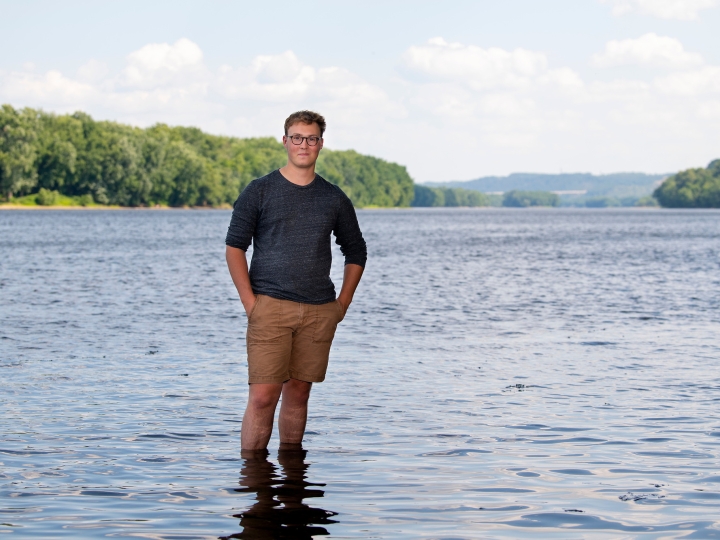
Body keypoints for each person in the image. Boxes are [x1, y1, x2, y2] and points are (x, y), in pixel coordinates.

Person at [225, 110, 367, 453]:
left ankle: (292, 481)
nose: (305, 144)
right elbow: (234, 248)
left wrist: (342, 305)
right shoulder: (259, 191)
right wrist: (250, 304)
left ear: (321, 144)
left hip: (320, 310)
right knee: (262, 396)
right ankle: (255, 482)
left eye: (312, 138)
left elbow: (356, 251)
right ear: (285, 141)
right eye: (298, 137)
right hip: (269, 307)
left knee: (299, 393)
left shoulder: (334, 198)